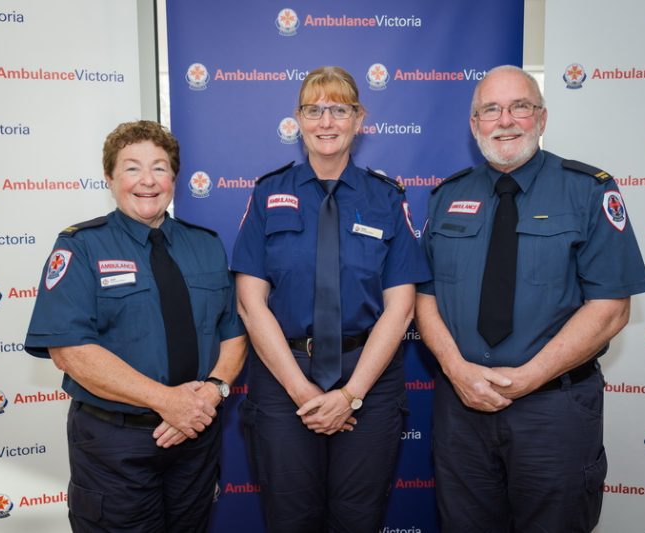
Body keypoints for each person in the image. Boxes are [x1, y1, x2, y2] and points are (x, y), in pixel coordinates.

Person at [416, 65, 645, 532]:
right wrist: (458, 370)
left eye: (520, 107)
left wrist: (527, 378)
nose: (505, 120)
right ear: (474, 124)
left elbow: (609, 310)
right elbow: (425, 299)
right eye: (491, 110)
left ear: (541, 118)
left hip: (553, 412)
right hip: (463, 409)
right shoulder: (447, 196)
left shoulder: (587, 190)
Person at [231, 66, 431, 532]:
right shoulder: (268, 194)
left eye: (339, 110)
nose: (326, 121)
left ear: (359, 119)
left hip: (369, 379)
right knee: (290, 520)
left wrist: (351, 395)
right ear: (297, 120)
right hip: (285, 382)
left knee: (357, 519)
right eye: (314, 110)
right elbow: (249, 302)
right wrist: (304, 393)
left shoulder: (386, 198)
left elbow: (401, 308)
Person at [24, 120, 247, 532]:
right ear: (109, 177)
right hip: (115, 444)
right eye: (132, 168)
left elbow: (232, 333)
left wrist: (212, 393)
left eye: (159, 168)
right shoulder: (81, 245)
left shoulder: (206, 244)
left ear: (174, 178)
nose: (147, 180)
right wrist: (167, 401)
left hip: (195, 438)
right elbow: (69, 351)